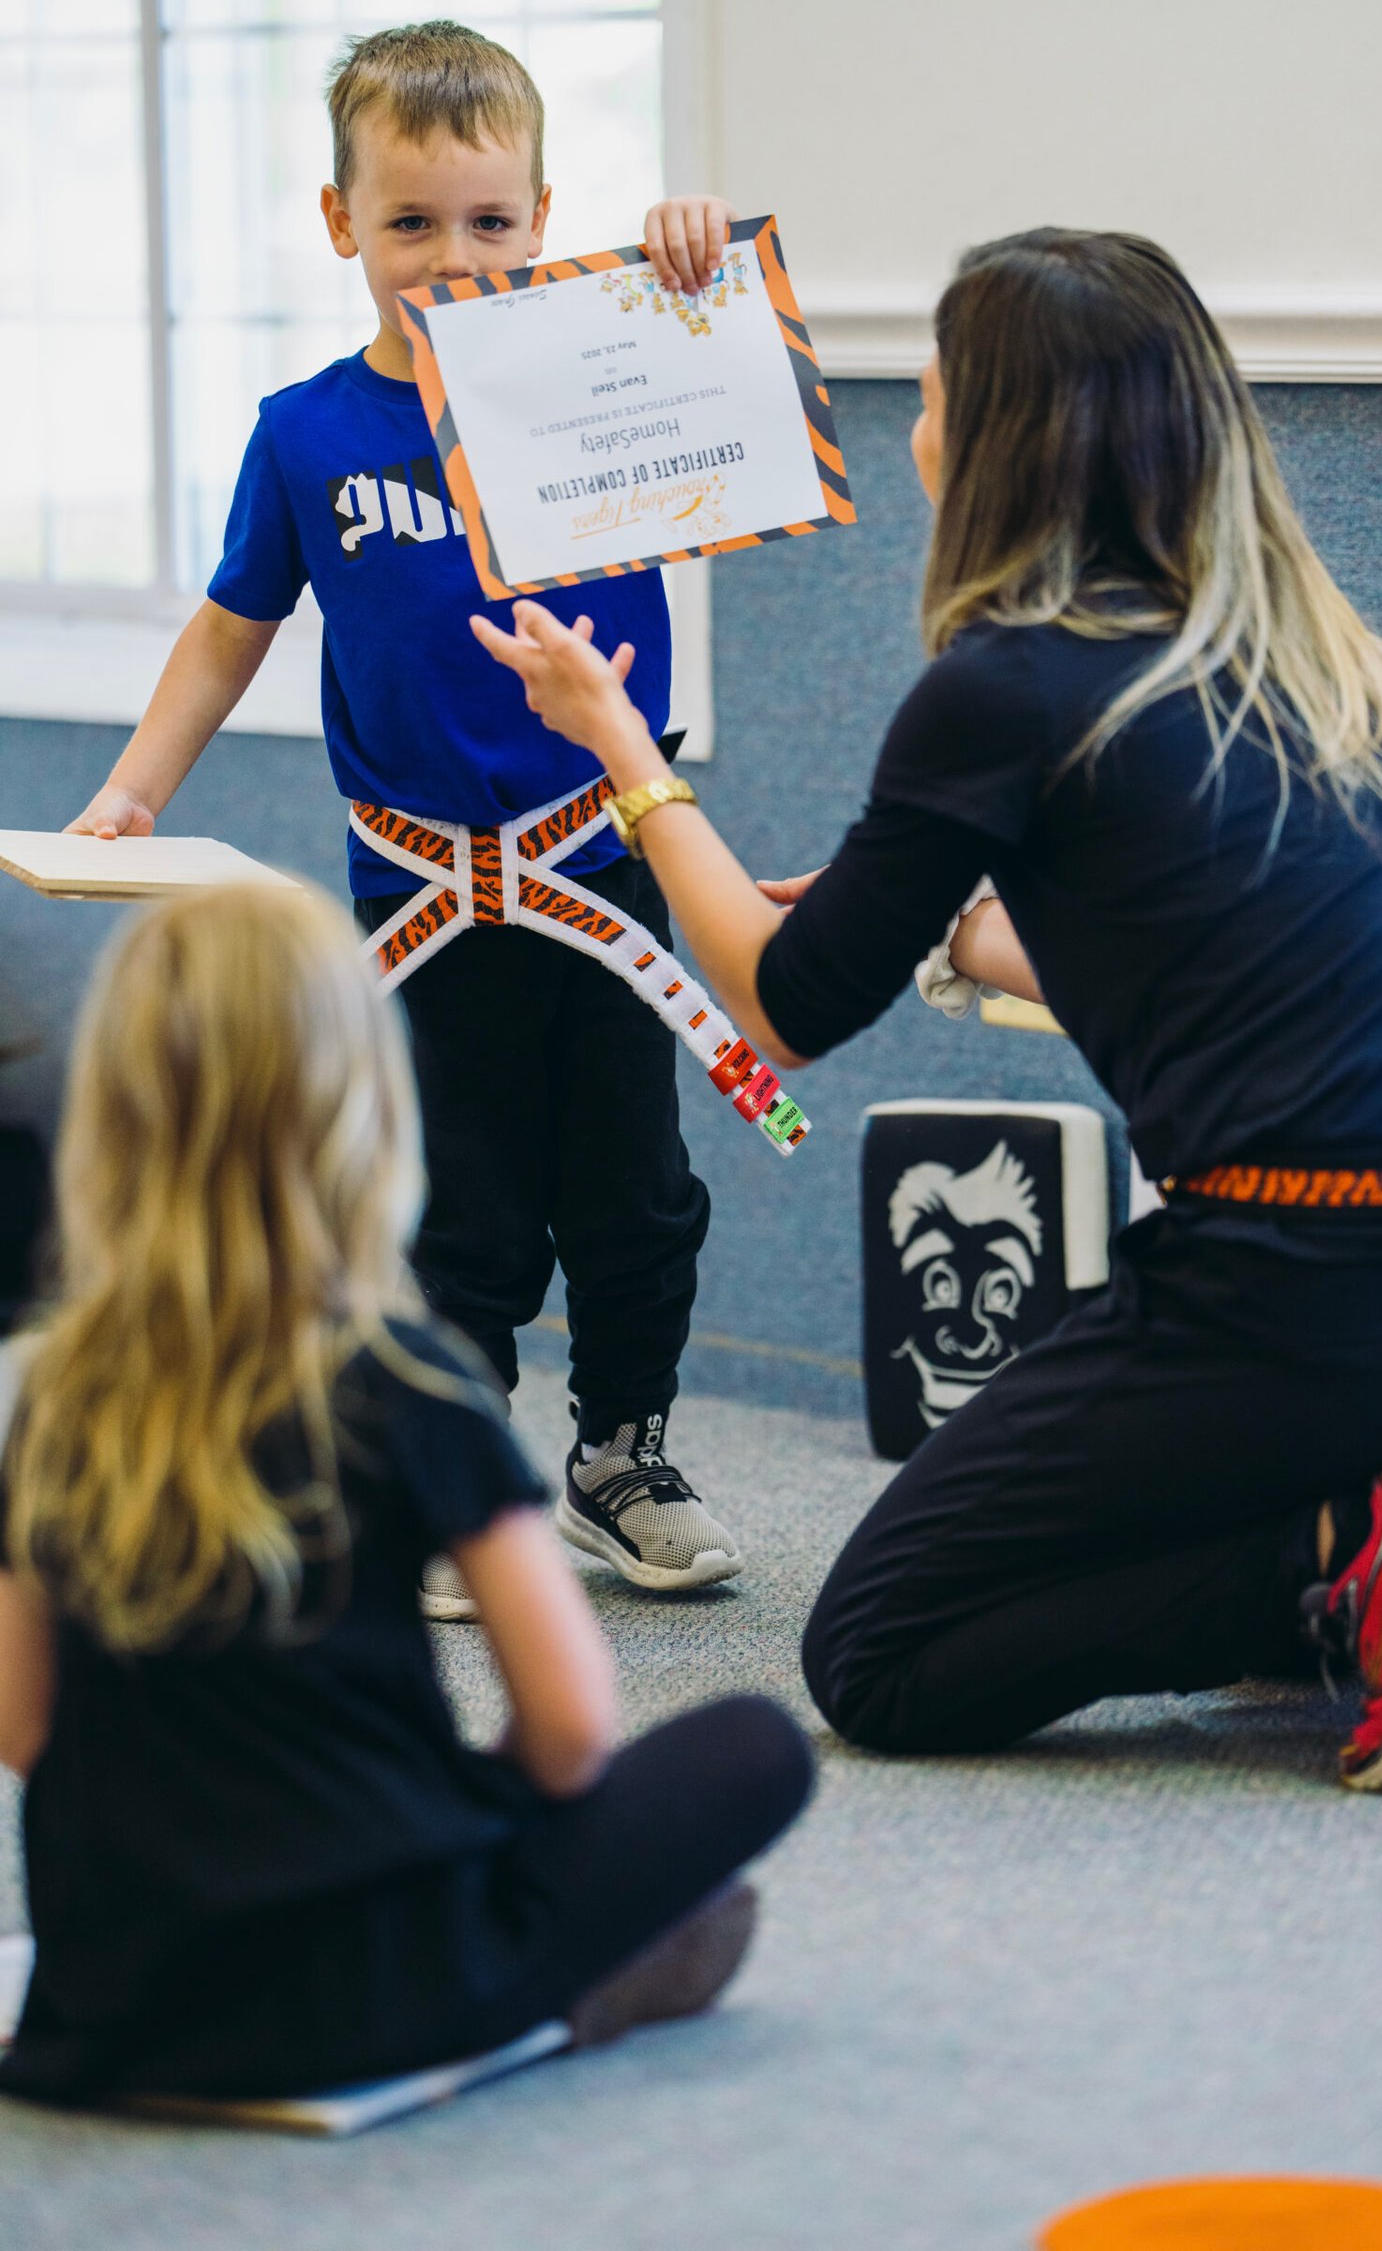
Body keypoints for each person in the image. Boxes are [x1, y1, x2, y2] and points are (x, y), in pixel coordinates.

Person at [469, 225, 1382, 1793]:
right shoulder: (1331, 665)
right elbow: (1236, 982)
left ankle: (1357, 1556)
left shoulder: (1005, 685)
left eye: (929, 395)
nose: (915, 428)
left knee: (876, 1650)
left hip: (1309, 1298)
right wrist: (960, 940)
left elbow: (780, 1010)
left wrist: (621, 750)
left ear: (992, 442)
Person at [66, 19, 743, 1613]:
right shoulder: (307, 434)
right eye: (410, 224)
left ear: (544, 217)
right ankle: (462, 1479)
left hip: (600, 874)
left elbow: (731, 397)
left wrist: (685, 276)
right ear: (339, 223)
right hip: (418, 898)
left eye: (494, 223)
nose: (451, 258)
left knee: (636, 1195)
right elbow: (232, 625)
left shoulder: (606, 377)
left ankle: (622, 1456)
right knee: (455, 1207)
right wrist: (135, 787)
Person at [0, 884, 811, 2106]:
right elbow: (571, 1727)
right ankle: (548, 1990)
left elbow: (22, 1724)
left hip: (120, 2005)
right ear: (365, 1105)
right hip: (389, 1981)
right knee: (754, 1749)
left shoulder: (51, 1395)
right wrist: (462, 1816)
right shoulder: (405, 1376)